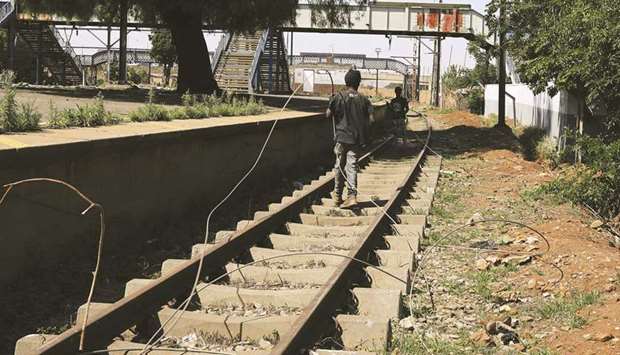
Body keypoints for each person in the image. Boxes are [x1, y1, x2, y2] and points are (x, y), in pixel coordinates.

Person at [326, 69, 373, 208]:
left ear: (346, 82)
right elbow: (371, 119)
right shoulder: (364, 99)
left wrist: (331, 103)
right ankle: (352, 196)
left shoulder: (338, 96)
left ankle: (337, 196)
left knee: (339, 166)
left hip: (341, 137)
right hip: (356, 139)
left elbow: (328, 114)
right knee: (351, 166)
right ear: (358, 83)